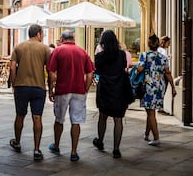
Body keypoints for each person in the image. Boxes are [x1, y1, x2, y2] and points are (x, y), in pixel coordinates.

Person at [46, 29, 95, 162]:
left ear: (62, 39)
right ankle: (74, 151)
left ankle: (56, 145)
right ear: (74, 39)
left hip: (62, 90)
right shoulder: (82, 51)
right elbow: (90, 73)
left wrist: (51, 89)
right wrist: (86, 87)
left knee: (59, 119)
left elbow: (51, 72)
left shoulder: (58, 50)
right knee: (76, 121)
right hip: (79, 90)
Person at [9, 24, 51, 161]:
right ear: (38, 34)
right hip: (39, 87)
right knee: (37, 118)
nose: (43, 36)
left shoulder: (18, 47)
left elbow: (12, 68)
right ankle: (37, 149)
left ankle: (17, 142)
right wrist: (50, 87)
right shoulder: (45, 49)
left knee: (20, 115)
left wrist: (14, 84)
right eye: (42, 33)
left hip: (21, 86)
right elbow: (50, 71)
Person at [93, 30, 131, 159]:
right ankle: (116, 149)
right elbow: (124, 67)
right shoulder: (122, 55)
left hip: (105, 88)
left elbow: (97, 69)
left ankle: (100, 141)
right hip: (119, 88)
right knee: (118, 119)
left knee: (102, 116)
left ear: (103, 42)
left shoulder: (99, 56)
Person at [137, 34, 177, 146]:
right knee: (151, 111)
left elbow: (139, 69)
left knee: (150, 113)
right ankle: (146, 134)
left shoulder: (144, 55)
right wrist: (173, 87)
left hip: (148, 87)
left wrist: (136, 71)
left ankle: (156, 137)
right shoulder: (163, 57)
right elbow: (168, 73)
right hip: (159, 87)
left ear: (149, 44)